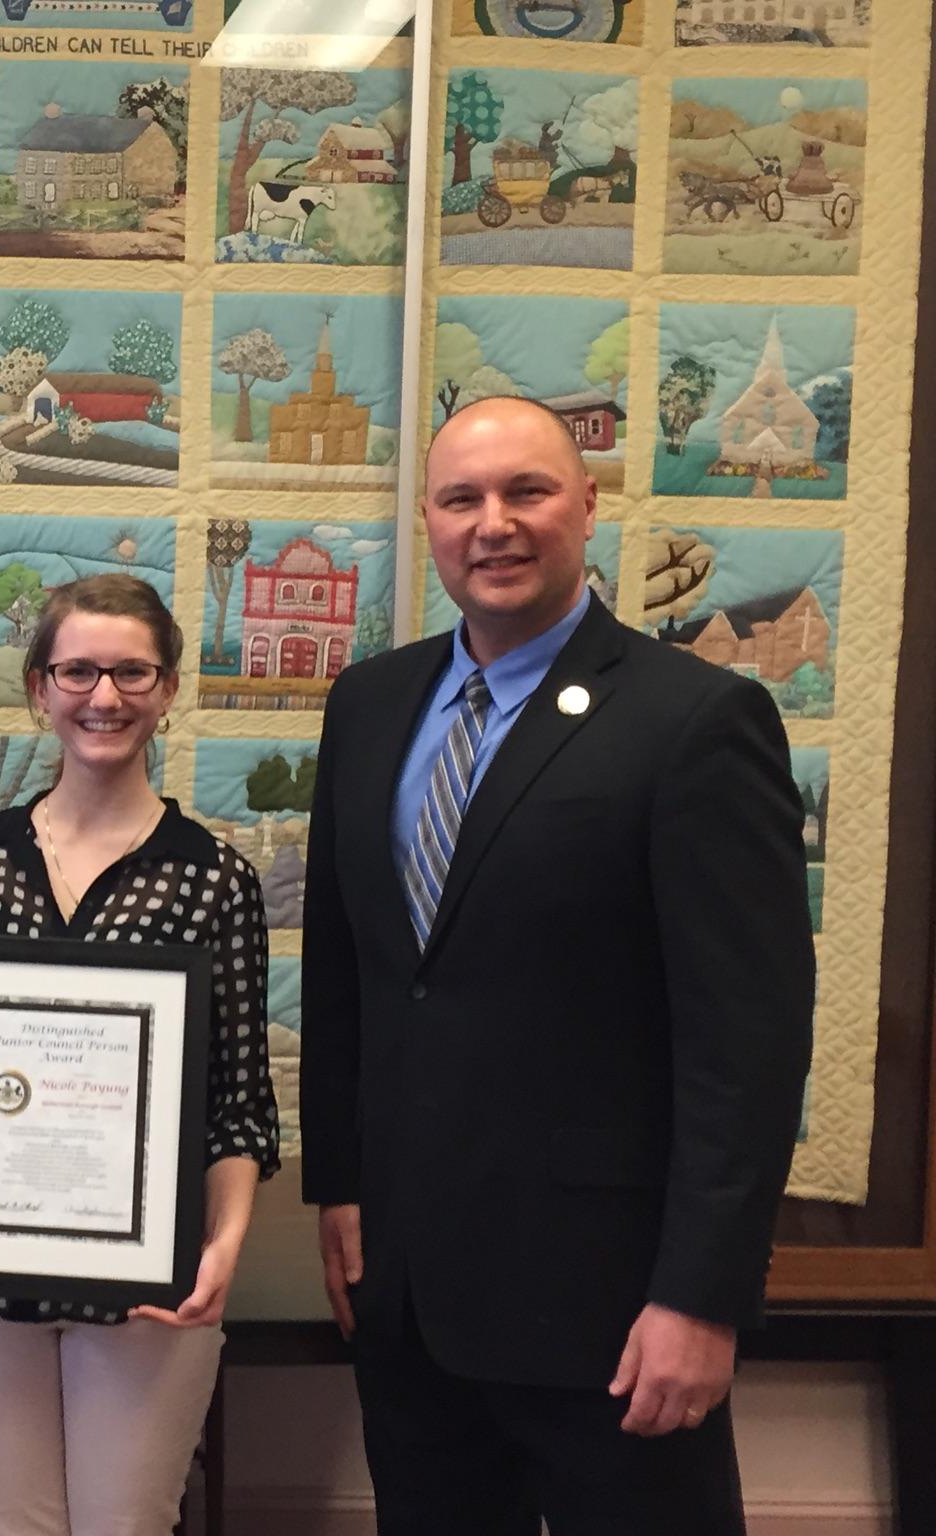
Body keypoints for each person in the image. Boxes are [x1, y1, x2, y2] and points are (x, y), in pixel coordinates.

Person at [299, 396, 813, 1534]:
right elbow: (345, 971)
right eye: (460, 499)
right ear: (425, 521)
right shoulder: (370, 706)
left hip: (612, 1314)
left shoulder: (695, 721)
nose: (494, 524)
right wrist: (336, 1180)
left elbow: (748, 1043)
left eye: (526, 492)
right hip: (411, 1300)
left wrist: (699, 1296)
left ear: (586, 504)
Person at [0, 574, 279, 1536]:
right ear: (39, 688)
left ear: (169, 688)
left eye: (132, 672)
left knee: (125, 1527)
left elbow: (236, 1099)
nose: (105, 696)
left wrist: (223, 1248)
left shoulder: (215, 878)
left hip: (149, 1279)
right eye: (79, 671)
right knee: (7, 1524)